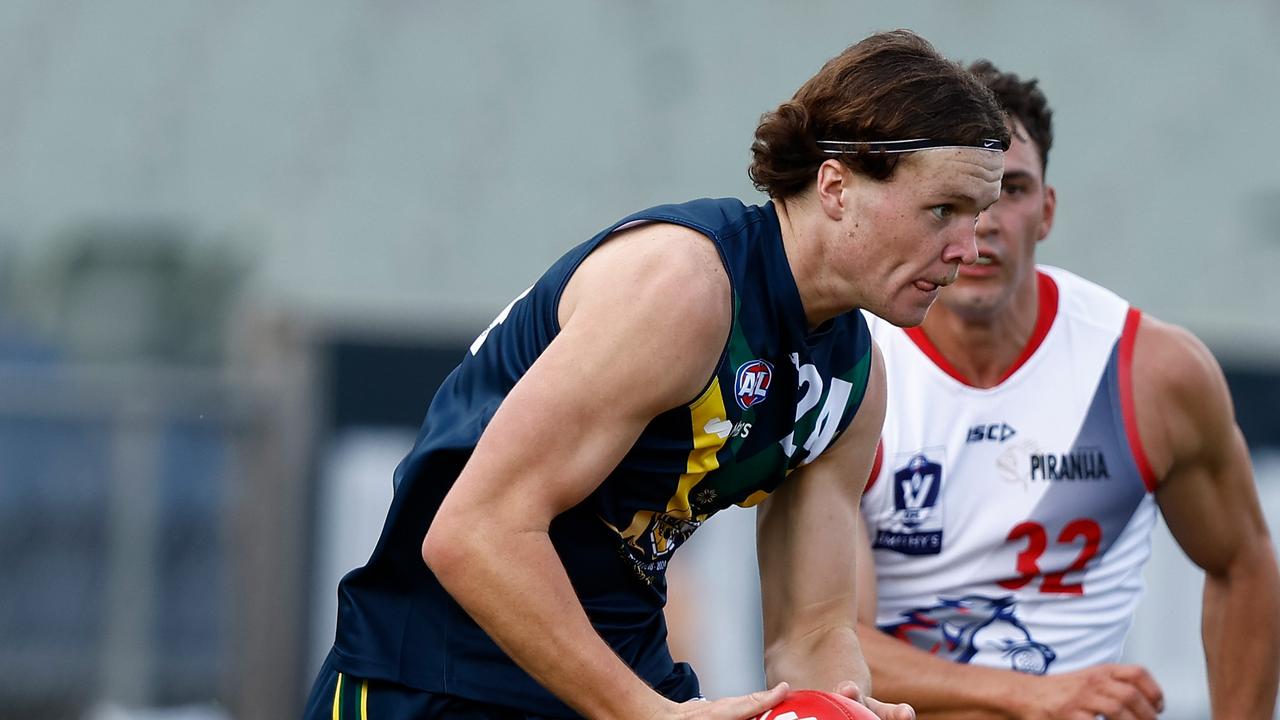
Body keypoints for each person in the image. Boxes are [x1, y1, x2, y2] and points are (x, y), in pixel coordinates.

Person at [304, 30, 1009, 720]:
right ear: (835, 186)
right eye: (942, 210)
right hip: (436, 682)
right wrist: (644, 714)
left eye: (977, 216)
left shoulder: (855, 382)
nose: (967, 249)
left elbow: (813, 632)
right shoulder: (685, 287)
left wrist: (841, 709)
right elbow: (474, 532)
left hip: (618, 685)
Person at [855, 59, 1280, 719]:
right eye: (955, 199)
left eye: (1012, 190)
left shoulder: (1149, 371)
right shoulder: (851, 371)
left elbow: (1245, 563)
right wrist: (1033, 695)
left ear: (1047, 211)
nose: (984, 224)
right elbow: (815, 642)